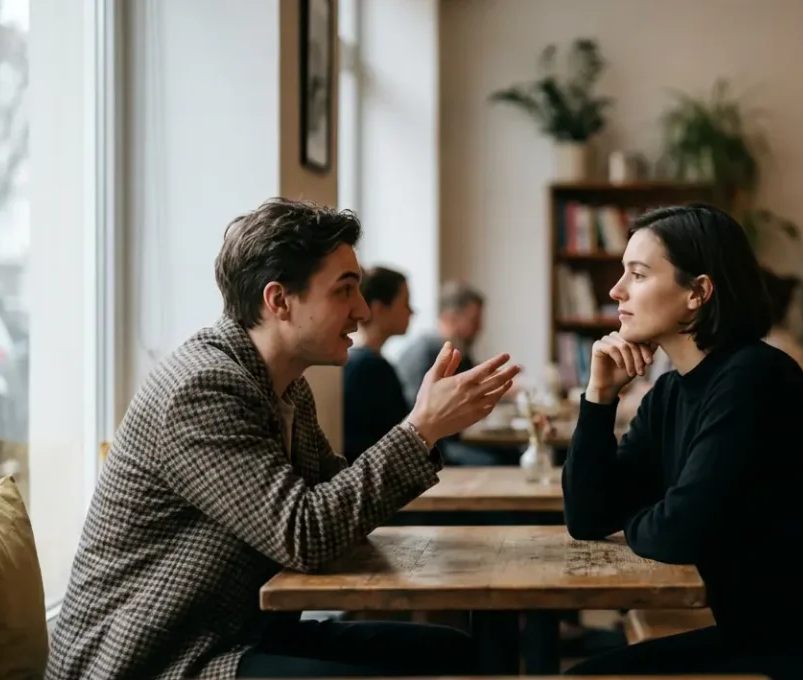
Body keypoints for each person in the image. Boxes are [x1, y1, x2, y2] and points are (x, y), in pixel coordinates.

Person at [46, 198, 520, 679]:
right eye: (345, 290)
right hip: (156, 659)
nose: (360, 309)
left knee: (453, 652)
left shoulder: (282, 384)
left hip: (236, 633)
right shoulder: (203, 387)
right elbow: (307, 534)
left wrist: (425, 428)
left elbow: (335, 495)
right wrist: (420, 428)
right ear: (278, 300)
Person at [561, 203, 803, 680]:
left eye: (638, 274)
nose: (616, 290)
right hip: (765, 636)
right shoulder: (671, 392)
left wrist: (643, 517)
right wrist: (600, 396)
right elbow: (587, 515)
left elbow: (680, 530)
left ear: (698, 292)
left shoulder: (754, 378)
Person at [396, 282, 512, 466]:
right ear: (451, 318)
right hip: (433, 449)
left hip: (449, 441)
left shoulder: (459, 351)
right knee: (502, 461)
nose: (479, 328)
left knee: (512, 453)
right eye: (474, 320)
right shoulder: (426, 355)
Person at [342, 266, 413, 464]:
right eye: (405, 303)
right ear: (379, 308)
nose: (412, 311)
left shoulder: (355, 361)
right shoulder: (372, 368)